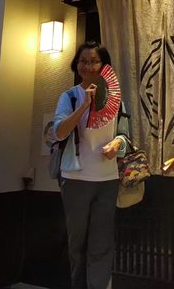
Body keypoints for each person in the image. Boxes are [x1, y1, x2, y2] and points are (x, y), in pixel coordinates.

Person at [54, 40, 128, 289]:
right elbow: (59, 132)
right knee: (77, 243)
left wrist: (117, 143)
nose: (88, 66)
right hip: (75, 178)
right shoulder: (69, 96)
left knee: (102, 242)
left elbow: (125, 136)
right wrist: (84, 104)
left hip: (107, 179)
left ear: (104, 65)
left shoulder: (116, 99)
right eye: (83, 61)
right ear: (76, 64)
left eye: (94, 61)